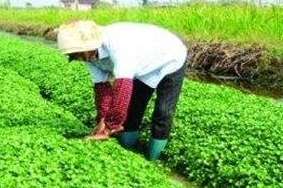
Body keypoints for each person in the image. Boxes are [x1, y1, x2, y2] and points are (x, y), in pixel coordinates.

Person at [56, 20, 187, 160]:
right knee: (133, 110)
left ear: (88, 46)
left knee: (163, 111)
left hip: (169, 57)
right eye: (73, 55)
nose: (78, 58)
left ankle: (153, 159)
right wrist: (102, 119)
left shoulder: (118, 45)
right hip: (141, 66)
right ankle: (128, 153)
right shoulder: (88, 57)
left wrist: (109, 126)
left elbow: (123, 88)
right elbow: (102, 88)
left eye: (77, 53)